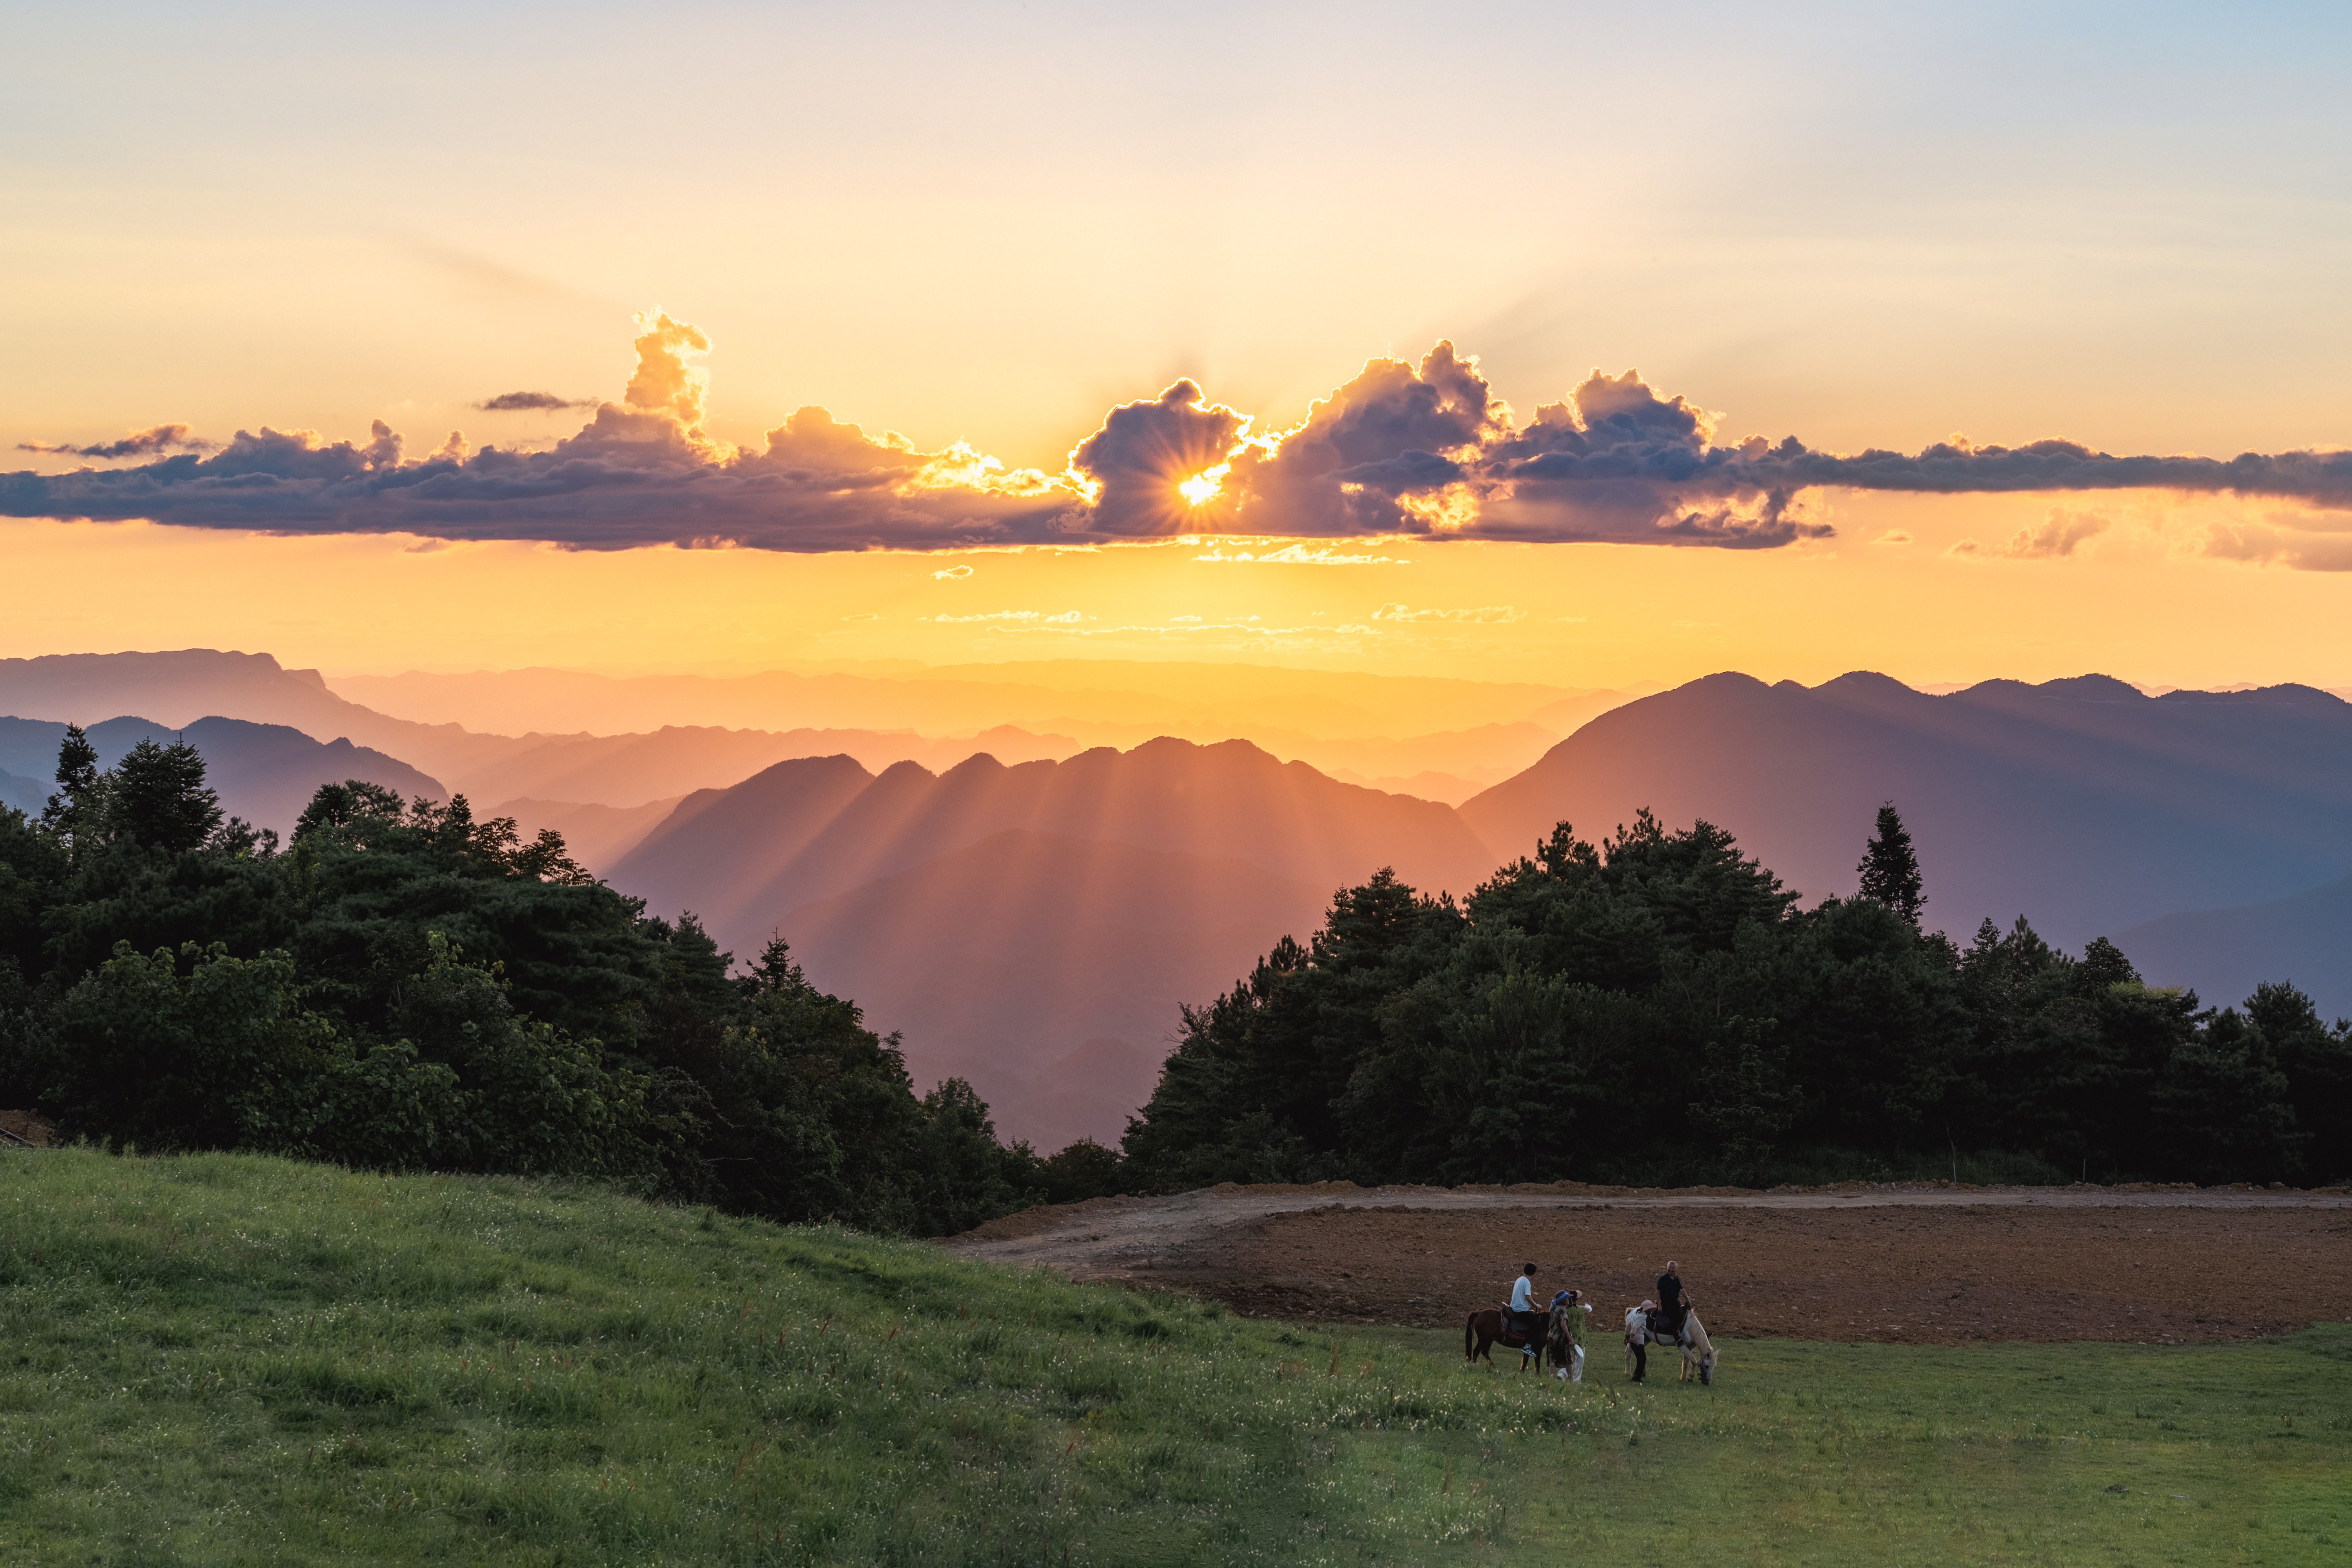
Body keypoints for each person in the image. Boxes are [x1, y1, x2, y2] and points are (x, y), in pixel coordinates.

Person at [1507, 1262, 1545, 1352]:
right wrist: (1536, 1306)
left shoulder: (1520, 1279)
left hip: (1514, 1307)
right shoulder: (1527, 1282)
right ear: (1534, 1273)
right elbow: (1528, 1297)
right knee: (1537, 1326)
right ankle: (1528, 1346)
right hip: (1521, 1310)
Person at [1655, 1260, 1687, 1339]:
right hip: (1666, 1304)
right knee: (1674, 1317)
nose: (1671, 1270)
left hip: (1676, 1303)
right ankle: (1677, 1337)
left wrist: (1688, 1299)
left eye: (1673, 1268)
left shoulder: (1676, 1279)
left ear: (1676, 1269)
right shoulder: (1663, 1279)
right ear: (1667, 1268)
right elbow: (1657, 1293)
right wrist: (1659, 1305)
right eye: (1670, 1268)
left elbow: (1682, 1290)